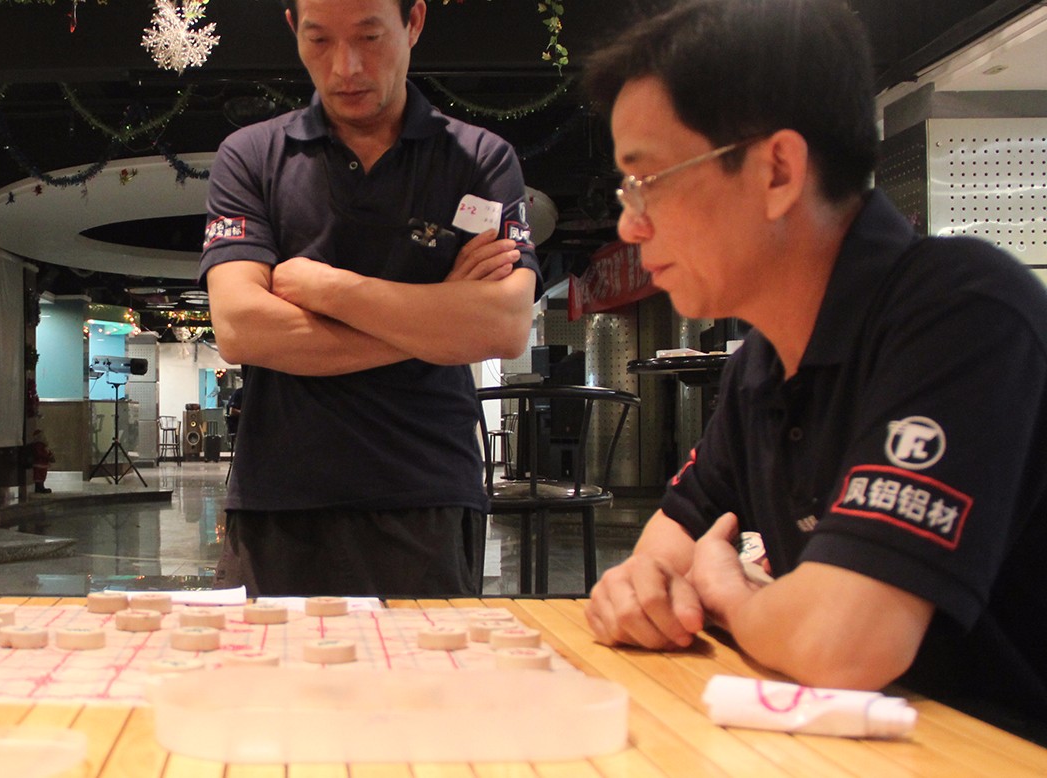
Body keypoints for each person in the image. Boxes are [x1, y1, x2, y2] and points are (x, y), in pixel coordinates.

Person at [581, 0, 1047, 742]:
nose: (630, 225)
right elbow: (658, 564)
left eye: (650, 181)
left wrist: (732, 594)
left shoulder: (964, 311)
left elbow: (846, 643)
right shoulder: (761, 366)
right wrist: (639, 593)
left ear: (778, 171)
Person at [203, 0, 539, 597]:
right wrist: (437, 317)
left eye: (369, 37)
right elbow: (241, 328)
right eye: (320, 41)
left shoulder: (480, 159)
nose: (345, 68)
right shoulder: (250, 156)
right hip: (278, 497)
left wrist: (329, 289)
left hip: (426, 494)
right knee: (266, 663)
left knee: (422, 663)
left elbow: (505, 326)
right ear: (293, 30)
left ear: (414, 23)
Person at [30, 428, 56, 494]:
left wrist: (50, 456)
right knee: (39, 476)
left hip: (43, 464)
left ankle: (41, 486)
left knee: (42, 475)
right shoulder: (38, 445)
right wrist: (47, 456)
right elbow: (40, 453)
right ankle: (39, 487)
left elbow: (47, 452)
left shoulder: (43, 445)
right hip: (39, 463)